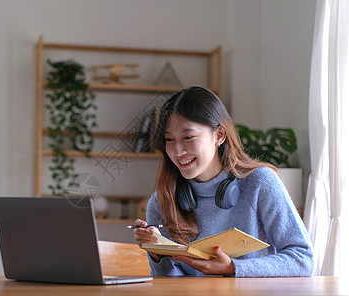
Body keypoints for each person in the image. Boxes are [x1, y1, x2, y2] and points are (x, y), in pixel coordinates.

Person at [133, 86, 314, 277]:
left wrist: (234, 268)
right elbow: (169, 284)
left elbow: (303, 259)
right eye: (169, 140)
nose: (177, 151)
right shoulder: (162, 201)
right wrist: (156, 254)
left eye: (188, 137)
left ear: (219, 135)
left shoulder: (260, 183)